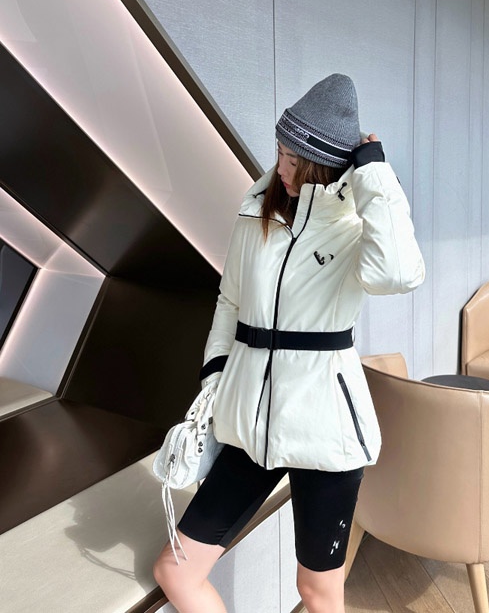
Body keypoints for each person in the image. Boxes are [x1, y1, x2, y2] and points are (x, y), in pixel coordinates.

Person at [153, 73, 425, 613]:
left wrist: (373, 170)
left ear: (322, 164)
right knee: (176, 571)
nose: (280, 167)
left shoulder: (354, 222)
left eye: (293, 159)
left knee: (317, 592)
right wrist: (216, 376)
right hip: (249, 424)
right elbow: (230, 302)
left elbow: (399, 273)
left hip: (326, 430)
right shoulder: (259, 210)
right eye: (279, 151)